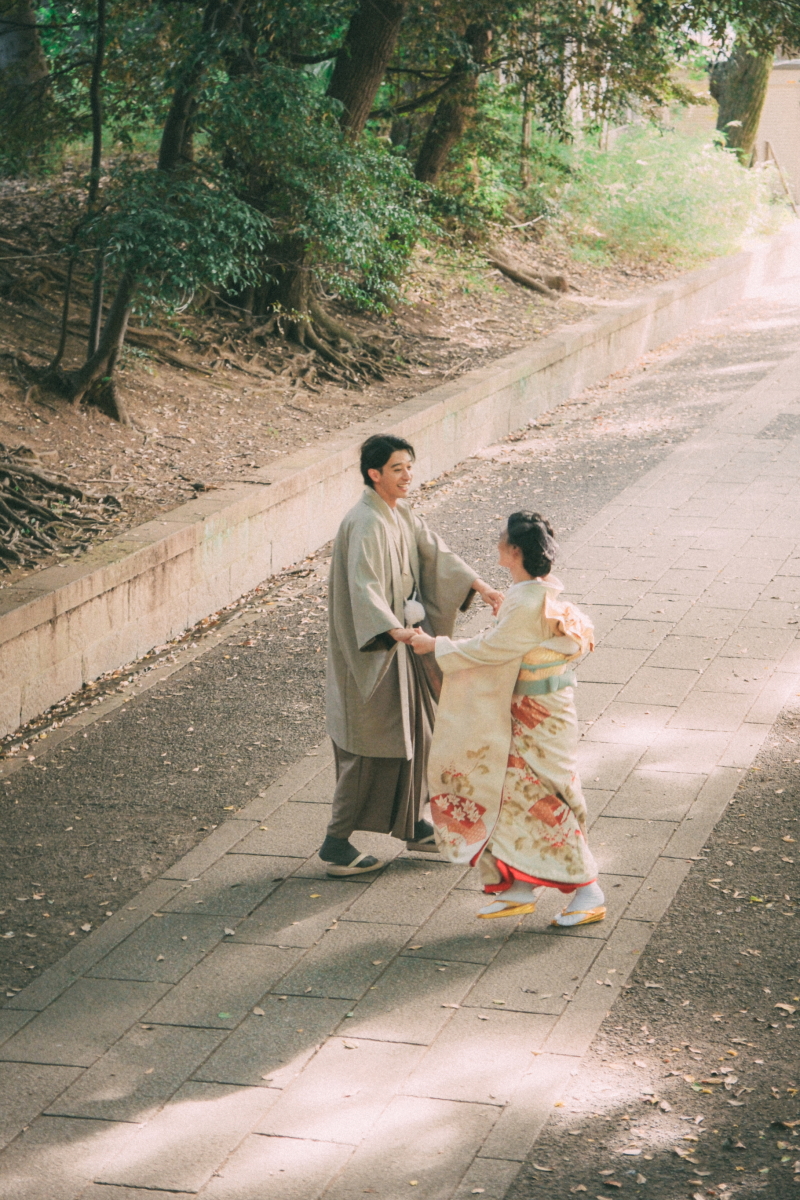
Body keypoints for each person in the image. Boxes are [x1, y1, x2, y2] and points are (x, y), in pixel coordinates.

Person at [320, 434, 503, 877]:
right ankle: (336, 843)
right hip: (375, 655)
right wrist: (390, 628)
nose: (407, 476)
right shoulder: (365, 522)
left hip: (402, 645)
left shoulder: (397, 513)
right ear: (374, 474)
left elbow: (434, 551)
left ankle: (413, 827)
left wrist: (480, 585)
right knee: (370, 749)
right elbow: (362, 588)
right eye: (397, 468)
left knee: (420, 734)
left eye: (410, 467)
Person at [410, 511, 605, 926]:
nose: (497, 543)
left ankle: (588, 891)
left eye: (503, 540)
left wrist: (436, 645)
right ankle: (520, 884)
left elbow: (491, 649)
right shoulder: (538, 592)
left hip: (539, 716)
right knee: (512, 791)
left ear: (514, 551)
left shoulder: (527, 600)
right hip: (535, 712)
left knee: (548, 799)